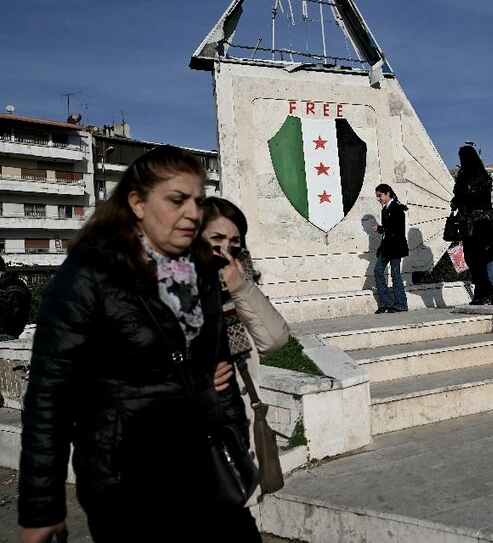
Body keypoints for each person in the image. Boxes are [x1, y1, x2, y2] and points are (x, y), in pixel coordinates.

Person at [18, 147, 261, 543]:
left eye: (198, 201)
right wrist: (41, 510)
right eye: (177, 200)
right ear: (137, 203)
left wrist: (235, 437)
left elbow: (221, 371)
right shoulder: (88, 276)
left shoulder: (202, 271)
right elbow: (49, 400)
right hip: (128, 486)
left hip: (207, 472)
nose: (193, 213)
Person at [201, 197, 292, 502]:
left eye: (234, 241)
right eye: (216, 239)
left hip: (240, 450)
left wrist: (241, 288)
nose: (225, 249)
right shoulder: (167, 291)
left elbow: (274, 340)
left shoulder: (241, 293)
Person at [451, 145, 493, 305]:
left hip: (472, 223)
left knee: (472, 259)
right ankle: (484, 294)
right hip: (487, 222)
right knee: (481, 259)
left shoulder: (464, 176)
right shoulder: (484, 176)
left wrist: (455, 203)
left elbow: (460, 197)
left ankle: (485, 293)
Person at [373, 183, 409, 313]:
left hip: (395, 247)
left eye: (380, 196)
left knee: (395, 275)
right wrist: (381, 230)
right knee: (378, 271)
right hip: (386, 246)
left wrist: (381, 228)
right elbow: (387, 230)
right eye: (377, 196)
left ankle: (401, 304)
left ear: (387, 193)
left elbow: (396, 228)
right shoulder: (385, 209)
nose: (379, 199)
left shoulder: (397, 208)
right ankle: (386, 302)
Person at [0, 255, 32, 341]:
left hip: (6, 332)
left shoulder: (11, 285)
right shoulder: (8, 284)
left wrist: (3, 327)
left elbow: (17, 310)